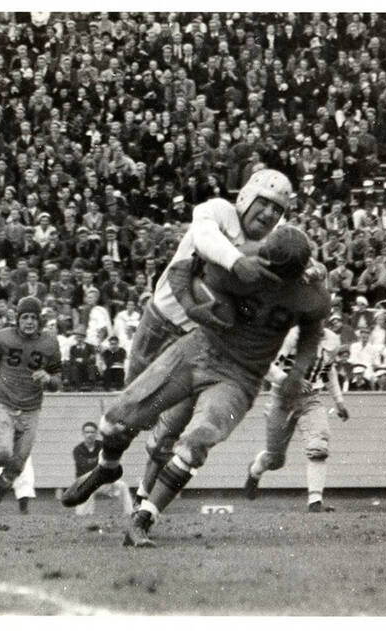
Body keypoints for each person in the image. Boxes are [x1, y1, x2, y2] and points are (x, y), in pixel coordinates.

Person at [62, 225, 330, 547]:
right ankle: (107, 468)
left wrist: (298, 371)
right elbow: (178, 270)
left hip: (241, 375)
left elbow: (312, 333)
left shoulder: (310, 293)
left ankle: (144, 517)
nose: (270, 276)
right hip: (199, 349)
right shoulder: (242, 259)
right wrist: (192, 305)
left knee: (196, 442)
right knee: (117, 418)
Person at [129, 168, 292, 507]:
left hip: (198, 339)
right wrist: (236, 262)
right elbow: (205, 239)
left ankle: (144, 503)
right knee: (131, 417)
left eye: (277, 210)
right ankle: (110, 467)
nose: (269, 214)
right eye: (265, 204)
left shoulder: (268, 248)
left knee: (171, 432)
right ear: (246, 198)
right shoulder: (217, 211)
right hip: (159, 323)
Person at [0, 296, 61, 514]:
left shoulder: (50, 343)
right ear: (17, 319)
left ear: (40, 320)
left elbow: (58, 379)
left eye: (33, 318)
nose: (29, 322)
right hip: (4, 403)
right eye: (25, 317)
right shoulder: (3, 338)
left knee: (17, 464)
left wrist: (48, 378)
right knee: (1, 452)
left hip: (31, 409)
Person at [243, 326, 350, 512]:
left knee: (319, 446)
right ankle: (255, 471)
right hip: (282, 398)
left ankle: (315, 500)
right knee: (275, 460)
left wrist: (338, 400)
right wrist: (291, 380)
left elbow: (327, 370)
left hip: (311, 400)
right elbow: (268, 365)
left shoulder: (332, 340)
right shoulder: (291, 335)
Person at [70, 422, 133, 516]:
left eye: (92, 432)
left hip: (103, 482)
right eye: (87, 432)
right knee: (81, 514)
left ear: (96, 434)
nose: (89, 435)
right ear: (83, 434)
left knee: (122, 486)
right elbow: (85, 468)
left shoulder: (103, 446)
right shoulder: (78, 450)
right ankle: (84, 514)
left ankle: (130, 513)